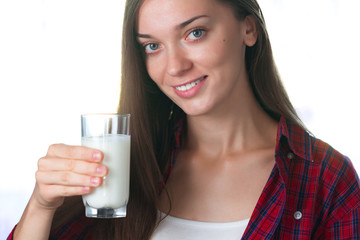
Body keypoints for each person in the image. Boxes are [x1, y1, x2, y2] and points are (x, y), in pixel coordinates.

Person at [8, 0, 360, 239]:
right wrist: (41, 206)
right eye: (152, 46)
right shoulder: (122, 168)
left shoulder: (324, 178)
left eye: (194, 33)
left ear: (248, 29)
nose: (174, 67)